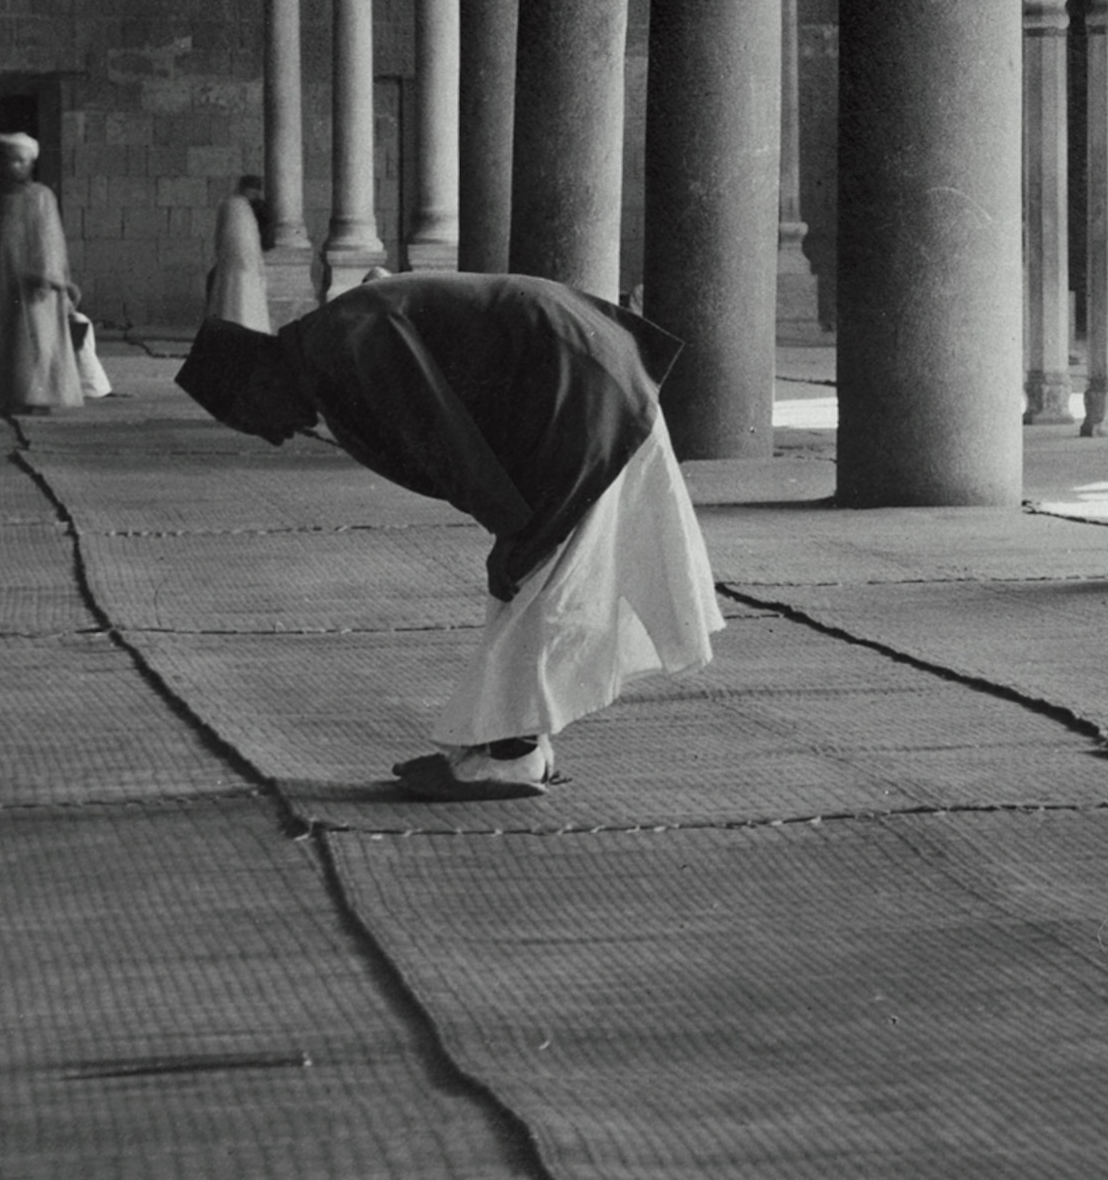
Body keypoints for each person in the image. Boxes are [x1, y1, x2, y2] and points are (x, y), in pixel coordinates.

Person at [178, 272, 721, 799]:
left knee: (537, 576)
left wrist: (513, 529)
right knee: (538, 579)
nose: (276, 437)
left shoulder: (341, 342)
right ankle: (514, 745)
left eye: (253, 421)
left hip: (580, 393)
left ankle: (513, 757)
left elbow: (442, 435)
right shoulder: (332, 339)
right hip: (585, 378)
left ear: (256, 383)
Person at [0, 133, 83, 413]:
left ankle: (38, 396)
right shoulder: (2, 198)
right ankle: (11, 393)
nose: (16, 167)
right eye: (12, 160)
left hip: (36, 280)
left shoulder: (41, 196)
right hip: (8, 277)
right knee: (10, 337)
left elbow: (49, 239)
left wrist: (46, 275)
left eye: (22, 161)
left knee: (38, 337)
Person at [204, 174, 271, 331]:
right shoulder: (234, 205)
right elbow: (232, 238)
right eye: (252, 192)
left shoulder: (245, 206)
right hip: (238, 264)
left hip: (245, 265)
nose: (254, 196)